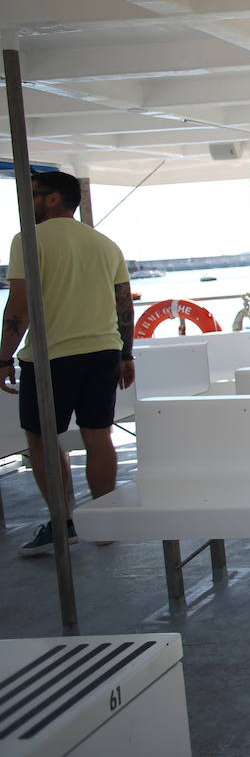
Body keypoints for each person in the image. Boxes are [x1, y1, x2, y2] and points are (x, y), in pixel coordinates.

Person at [1, 171, 135, 557]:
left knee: (42, 440)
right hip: (103, 352)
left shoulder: (26, 241)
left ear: (54, 199)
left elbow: (19, 308)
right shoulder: (104, 243)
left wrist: (2, 356)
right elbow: (123, 304)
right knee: (98, 434)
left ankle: (64, 522)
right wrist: (125, 354)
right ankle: (105, 522)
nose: (28, 204)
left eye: (34, 195)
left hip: (51, 357)